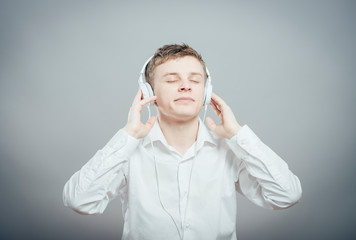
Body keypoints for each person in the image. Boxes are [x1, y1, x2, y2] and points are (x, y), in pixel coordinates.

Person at [63, 43, 302, 240]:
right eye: (171, 79)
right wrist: (127, 136)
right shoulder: (129, 151)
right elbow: (79, 200)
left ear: (206, 92)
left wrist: (238, 134)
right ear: (148, 94)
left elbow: (286, 195)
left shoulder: (230, 149)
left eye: (195, 80)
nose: (186, 85)